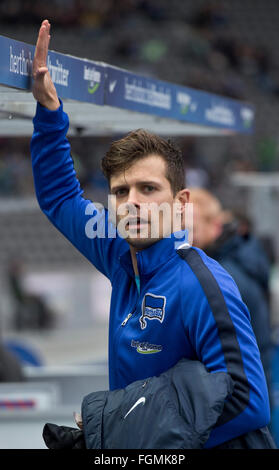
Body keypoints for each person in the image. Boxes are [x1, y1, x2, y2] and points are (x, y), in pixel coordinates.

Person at [30, 20, 271, 448]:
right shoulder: (118, 253)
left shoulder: (203, 282)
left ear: (180, 203)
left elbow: (249, 401)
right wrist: (50, 114)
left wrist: (125, 432)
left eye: (148, 188)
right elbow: (59, 198)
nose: (133, 202)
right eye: (121, 192)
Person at [189, 187, 273, 408]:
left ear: (215, 227)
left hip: (238, 405)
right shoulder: (237, 261)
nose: (183, 236)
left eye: (190, 228)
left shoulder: (223, 278)